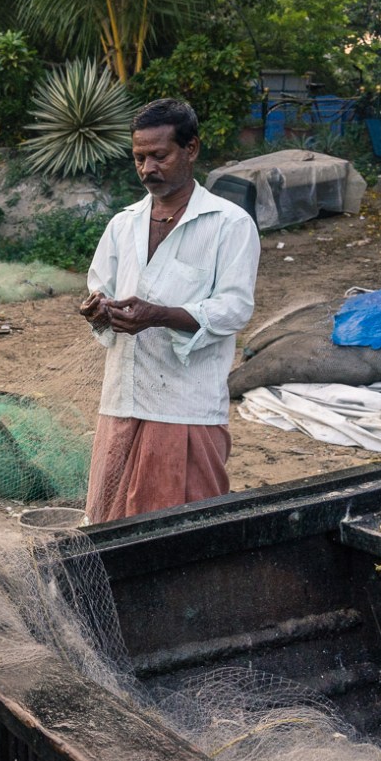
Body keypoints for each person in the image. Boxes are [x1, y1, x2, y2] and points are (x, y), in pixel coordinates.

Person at [79, 98, 260, 524]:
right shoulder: (123, 224)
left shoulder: (229, 224)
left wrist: (159, 315)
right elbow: (99, 287)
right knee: (110, 527)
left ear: (191, 149)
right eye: (139, 157)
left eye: (160, 155)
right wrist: (97, 310)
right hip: (121, 400)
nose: (147, 169)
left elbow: (235, 308)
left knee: (184, 531)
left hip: (186, 407)